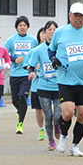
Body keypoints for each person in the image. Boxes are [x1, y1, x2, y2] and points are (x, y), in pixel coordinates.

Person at [48, 2, 83, 157]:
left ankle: (75, 145)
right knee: (66, 113)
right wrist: (53, 59)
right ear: (69, 16)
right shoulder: (60, 32)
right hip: (65, 80)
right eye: (75, 15)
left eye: (81, 16)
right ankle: (64, 136)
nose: (78, 19)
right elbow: (50, 50)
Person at [27, 21, 61, 150]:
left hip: (59, 87)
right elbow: (31, 66)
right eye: (49, 29)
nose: (52, 31)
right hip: (43, 87)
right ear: (44, 32)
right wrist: (31, 73)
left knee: (57, 115)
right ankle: (51, 141)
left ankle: (57, 126)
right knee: (48, 116)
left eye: (54, 29)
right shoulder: (39, 50)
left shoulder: (61, 47)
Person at [4, 16, 38, 134]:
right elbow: (4, 54)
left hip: (26, 73)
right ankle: (21, 110)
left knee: (23, 97)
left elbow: (37, 53)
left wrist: (34, 65)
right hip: (14, 73)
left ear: (27, 27)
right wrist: (13, 59)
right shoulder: (11, 40)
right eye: (20, 25)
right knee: (15, 99)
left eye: (24, 25)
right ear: (17, 27)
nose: (22, 27)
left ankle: (20, 123)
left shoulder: (33, 40)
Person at [26, 27, 47, 141]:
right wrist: (31, 70)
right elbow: (28, 65)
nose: (44, 35)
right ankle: (41, 129)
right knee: (39, 110)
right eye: (42, 33)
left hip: (52, 85)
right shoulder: (34, 51)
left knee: (51, 110)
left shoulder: (56, 50)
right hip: (36, 85)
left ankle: (52, 126)